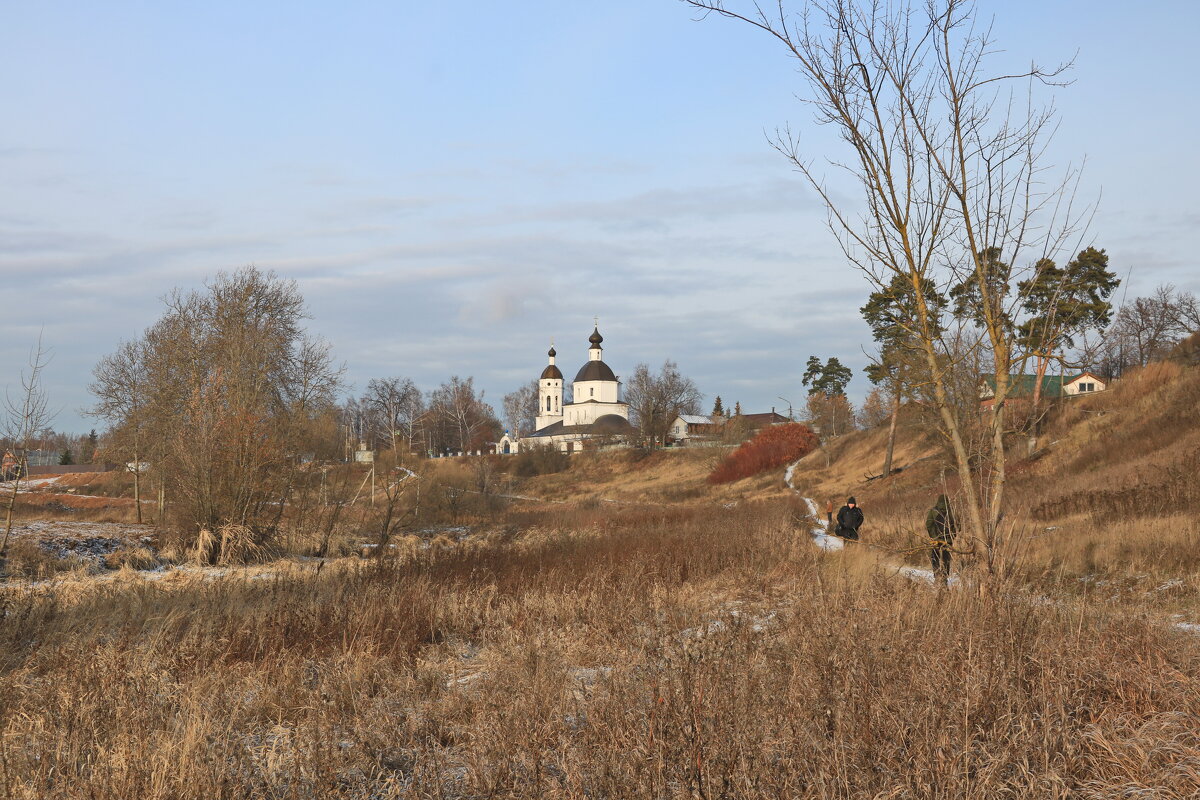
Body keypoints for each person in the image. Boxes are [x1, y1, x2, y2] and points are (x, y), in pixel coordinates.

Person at [925, 494, 958, 586]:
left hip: (936, 541)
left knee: (935, 557)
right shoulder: (952, 511)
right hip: (948, 541)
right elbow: (957, 525)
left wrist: (934, 536)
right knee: (946, 559)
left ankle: (937, 577)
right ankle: (944, 579)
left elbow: (928, 524)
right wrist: (952, 536)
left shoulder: (933, 511)